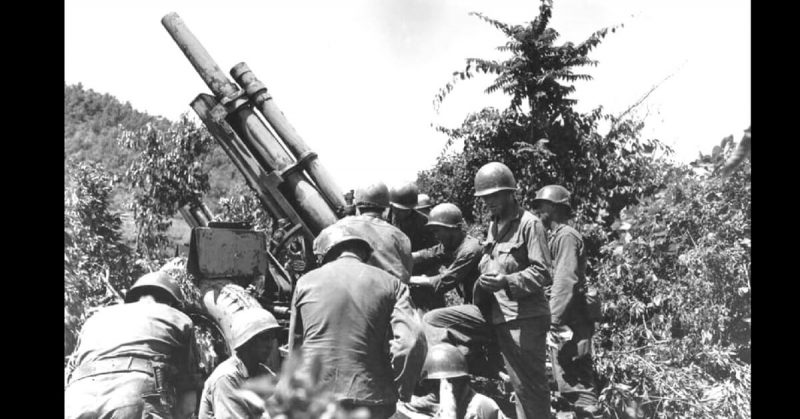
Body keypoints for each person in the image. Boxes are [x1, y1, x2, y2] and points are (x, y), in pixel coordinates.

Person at [287, 223, 426, 418]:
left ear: (325, 255)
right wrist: (404, 389)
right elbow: (411, 342)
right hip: (371, 396)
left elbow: (294, 348)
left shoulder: (304, 283)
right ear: (363, 253)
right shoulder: (392, 284)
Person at [473, 161, 553, 419]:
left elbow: (543, 273)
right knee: (519, 386)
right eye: (485, 197)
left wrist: (506, 281)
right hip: (501, 316)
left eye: (494, 195)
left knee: (531, 386)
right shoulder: (494, 226)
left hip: (525, 318)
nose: (489, 202)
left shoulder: (530, 224)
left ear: (510, 193)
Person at [65, 271, 200, 419]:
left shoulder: (95, 318)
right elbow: (187, 404)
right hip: (133, 396)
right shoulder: (178, 318)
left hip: (77, 399)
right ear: (170, 302)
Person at [531, 185, 601, 418]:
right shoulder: (556, 237)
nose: (538, 210)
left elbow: (565, 281)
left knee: (579, 387)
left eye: (541, 205)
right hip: (566, 322)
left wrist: (552, 320)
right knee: (567, 383)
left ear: (554, 207)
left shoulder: (567, 237)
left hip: (572, 321)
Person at [198, 308, 281, 419]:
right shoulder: (226, 378)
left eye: (272, 338)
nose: (270, 345)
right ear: (248, 342)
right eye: (265, 338)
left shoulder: (263, 372)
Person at [396, 343, 506, 419]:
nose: (447, 387)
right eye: (438, 383)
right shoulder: (411, 410)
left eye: (452, 381)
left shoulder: (481, 405)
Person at [409, 203, 483, 311]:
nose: (436, 236)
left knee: (432, 318)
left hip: (484, 309)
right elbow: (427, 254)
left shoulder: (470, 250)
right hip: (472, 303)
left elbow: (445, 281)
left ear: (453, 229)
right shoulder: (452, 244)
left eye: (437, 230)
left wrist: (409, 279)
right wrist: (399, 257)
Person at [336, 180, 413, 283]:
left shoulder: (336, 229)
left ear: (357, 206)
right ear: (385, 208)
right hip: (390, 295)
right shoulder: (400, 236)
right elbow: (407, 274)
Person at [390, 182, 438, 255]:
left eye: (406, 210)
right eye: (398, 209)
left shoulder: (423, 222)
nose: (402, 213)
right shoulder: (381, 219)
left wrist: (417, 256)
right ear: (391, 205)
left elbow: (436, 248)